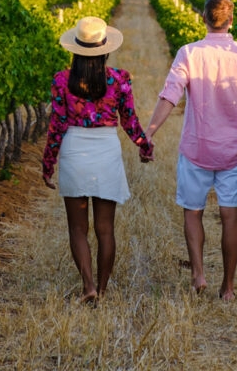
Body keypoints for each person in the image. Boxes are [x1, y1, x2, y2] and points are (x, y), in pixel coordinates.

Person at [145, 0, 237, 301]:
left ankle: (199, 274)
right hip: (234, 152)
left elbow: (170, 95)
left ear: (203, 19)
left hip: (196, 149)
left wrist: (150, 131)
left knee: (193, 213)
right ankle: (228, 288)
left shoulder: (189, 53)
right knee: (231, 216)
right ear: (232, 21)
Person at [42, 16, 154, 304]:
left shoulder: (61, 80)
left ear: (75, 49)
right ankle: (102, 290)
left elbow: (57, 125)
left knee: (78, 228)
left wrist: (48, 163)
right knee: (106, 228)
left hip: (74, 150)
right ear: (105, 50)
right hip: (106, 150)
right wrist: (144, 145)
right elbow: (129, 120)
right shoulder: (119, 79)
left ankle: (88, 285)